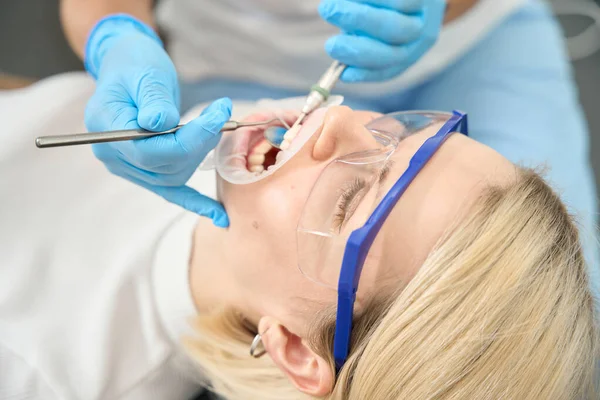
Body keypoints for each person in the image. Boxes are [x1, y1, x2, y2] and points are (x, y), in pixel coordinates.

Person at [0, 72, 597, 399]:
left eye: (348, 199)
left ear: (293, 348)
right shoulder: (245, 158)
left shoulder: (42, 369)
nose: (337, 119)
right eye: (401, 133)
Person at [58, 0, 600, 287]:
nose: (335, 122)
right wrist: (115, 37)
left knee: (573, 295)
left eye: (427, 144)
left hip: (475, 43)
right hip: (230, 61)